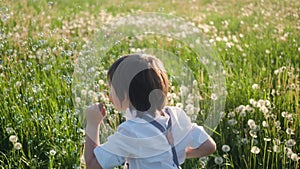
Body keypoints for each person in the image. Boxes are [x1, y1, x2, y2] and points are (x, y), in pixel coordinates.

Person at [84, 54, 216, 169]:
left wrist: (92, 124)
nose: (108, 93)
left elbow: (93, 165)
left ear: (125, 93)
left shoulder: (132, 131)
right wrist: (173, 154)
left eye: (110, 86)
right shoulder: (177, 116)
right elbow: (209, 146)